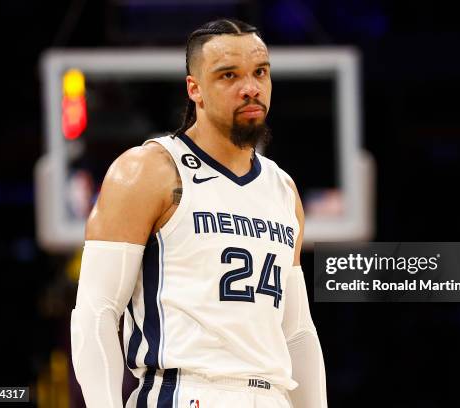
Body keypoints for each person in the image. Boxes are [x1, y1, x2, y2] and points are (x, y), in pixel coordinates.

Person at [71, 18, 328, 408]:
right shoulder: (148, 170)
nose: (250, 88)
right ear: (195, 89)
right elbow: (96, 310)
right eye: (229, 75)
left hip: (271, 395)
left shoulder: (283, 189)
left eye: (260, 72)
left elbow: (297, 333)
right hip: (185, 390)